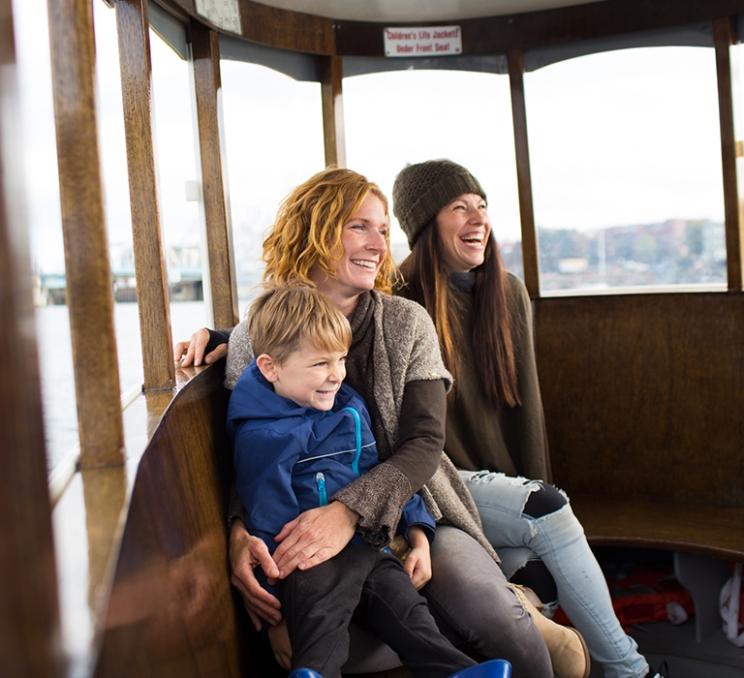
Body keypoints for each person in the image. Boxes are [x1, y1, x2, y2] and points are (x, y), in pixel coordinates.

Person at [176, 168, 585, 676]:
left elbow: (423, 443)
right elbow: (251, 452)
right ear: (315, 232)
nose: (378, 244)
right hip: (300, 526)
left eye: (384, 230)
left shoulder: (406, 321)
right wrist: (239, 531)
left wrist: (355, 512)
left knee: (498, 622)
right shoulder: (254, 336)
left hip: (418, 505)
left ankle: (528, 619)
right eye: (359, 227)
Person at [391, 159, 666, 678]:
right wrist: (226, 340)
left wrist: (535, 493)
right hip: (435, 482)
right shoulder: (394, 300)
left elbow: (525, 412)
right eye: (458, 207)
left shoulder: (506, 291)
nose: (477, 218)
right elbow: (309, 317)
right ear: (425, 225)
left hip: (493, 490)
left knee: (539, 565)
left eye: (482, 205)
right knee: (546, 515)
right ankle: (631, 671)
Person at [227, 282, 476, 678]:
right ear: (270, 368)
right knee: (325, 623)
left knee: (410, 612)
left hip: (366, 547)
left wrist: (417, 530)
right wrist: (276, 620)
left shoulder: (347, 408)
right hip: (308, 564)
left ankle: (459, 672)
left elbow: (378, 474)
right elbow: (266, 521)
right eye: (320, 364)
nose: (336, 375)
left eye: (340, 360)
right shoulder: (264, 435)